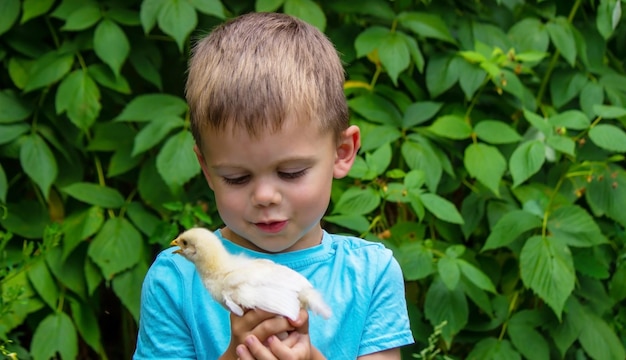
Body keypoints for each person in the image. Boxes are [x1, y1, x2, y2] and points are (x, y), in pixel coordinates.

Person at [133, 12, 414, 360]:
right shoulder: (175, 281)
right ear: (206, 169)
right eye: (237, 178)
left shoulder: (371, 275)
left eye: (292, 172)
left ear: (342, 153)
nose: (265, 196)